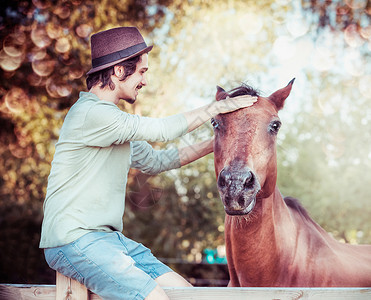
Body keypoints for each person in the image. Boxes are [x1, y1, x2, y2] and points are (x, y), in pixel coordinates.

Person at [39, 26, 257, 300]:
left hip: (108, 241)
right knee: (155, 298)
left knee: (184, 294)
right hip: (74, 241)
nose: (145, 80)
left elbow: (157, 160)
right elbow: (162, 130)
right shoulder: (91, 114)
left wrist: (221, 142)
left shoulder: (114, 125)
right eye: (142, 71)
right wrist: (214, 109)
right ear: (119, 71)